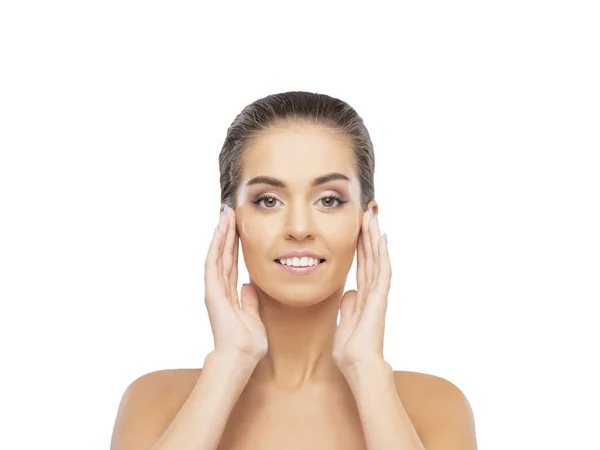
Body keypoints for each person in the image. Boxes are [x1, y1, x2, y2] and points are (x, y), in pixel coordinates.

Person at [110, 91, 478, 450]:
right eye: (268, 200)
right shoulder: (154, 402)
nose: (299, 227)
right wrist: (228, 364)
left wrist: (367, 370)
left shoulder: (436, 407)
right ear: (230, 220)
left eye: (329, 200)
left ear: (366, 221)